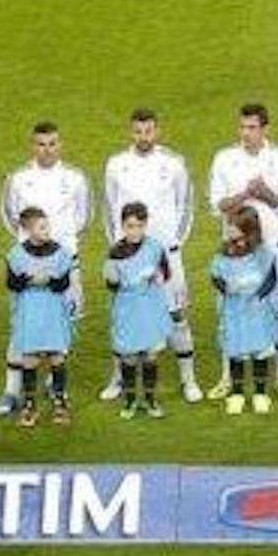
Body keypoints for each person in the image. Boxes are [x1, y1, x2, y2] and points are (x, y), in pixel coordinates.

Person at [105, 108, 201, 403]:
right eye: (137, 131)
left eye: (148, 131)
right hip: (129, 257)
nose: (143, 137)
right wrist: (122, 251)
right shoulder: (116, 164)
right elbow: (109, 210)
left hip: (167, 254)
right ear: (130, 132)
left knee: (176, 314)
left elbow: (186, 206)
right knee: (125, 316)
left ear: (156, 131)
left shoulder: (173, 163)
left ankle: (188, 380)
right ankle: (119, 378)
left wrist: (172, 244)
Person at [207, 103, 278, 399]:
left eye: (252, 128)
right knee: (229, 312)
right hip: (236, 254)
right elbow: (217, 205)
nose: (246, 133)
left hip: (273, 249)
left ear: (265, 129)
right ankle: (228, 378)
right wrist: (247, 193)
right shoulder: (224, 159)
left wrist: (265, 193)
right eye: (242, 127)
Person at [3, 206, 77, 428]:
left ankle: (60, 402)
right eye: (41, 227)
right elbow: (11, 283)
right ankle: (29, 404)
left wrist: (48, 281)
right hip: (29, 311)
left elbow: (63, 284)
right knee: (30, 359)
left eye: (47, 226)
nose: (47, 230)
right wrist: (29, 280)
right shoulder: (15, 254)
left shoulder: (61, 253)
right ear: (27, 229)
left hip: (53, 310)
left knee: (57, 357)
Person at [99, 203, 173, 420]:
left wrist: (156, 276)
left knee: (151, 356)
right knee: (129, 357)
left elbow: (165, 273)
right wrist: (114, 278)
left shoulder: (155, 247)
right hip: (127, 311)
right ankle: (130, 401)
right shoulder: (115, 253)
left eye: (139, 226)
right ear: (122, 226)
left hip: (150, 310)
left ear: (145, 225)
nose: (135, 231)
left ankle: (150, 400)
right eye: (130, 226)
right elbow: (111, 285)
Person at [210, 210, 278, 416]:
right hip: (234, 310)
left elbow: (271, 279)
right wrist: (226, 288)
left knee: (260, 352)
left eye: (232, 226)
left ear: (247, 229)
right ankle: (237, 394)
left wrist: (258, 298)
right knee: (236, 352)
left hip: (258, 311)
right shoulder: (224, 252)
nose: (228, 229)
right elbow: (216, 276)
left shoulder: (263, 253)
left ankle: (260, 394)